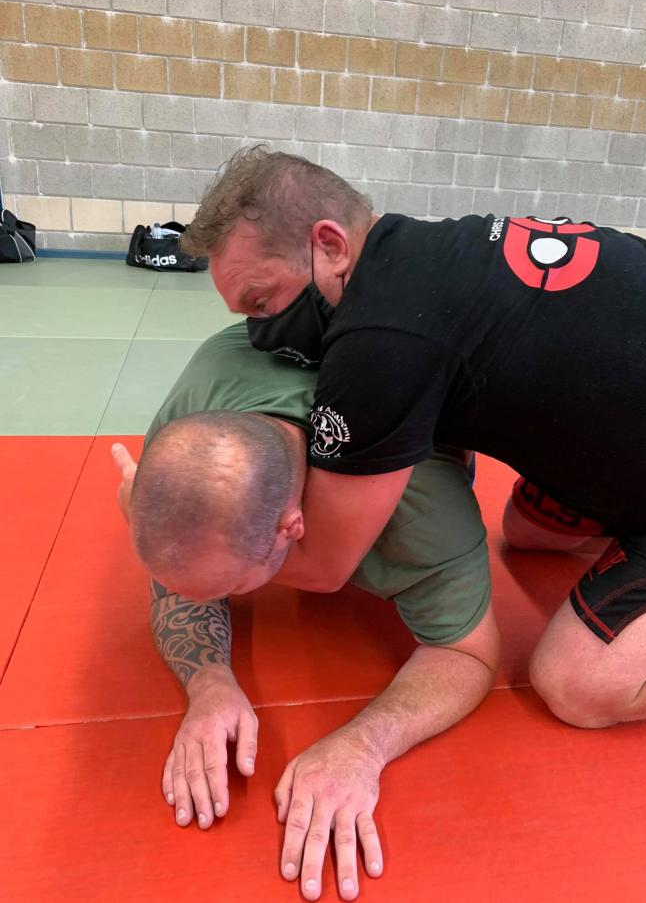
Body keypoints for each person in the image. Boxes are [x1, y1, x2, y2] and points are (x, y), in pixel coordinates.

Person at [179, 144, 646, 730]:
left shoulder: (382, 341)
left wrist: (191, 548)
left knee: (576, 687)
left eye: (261, 302)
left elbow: (324, 565)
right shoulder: (416, 252)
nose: (259, 331)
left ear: (330, 245)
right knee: (527, 532)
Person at [113, 320, 497, 903]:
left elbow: (469, 652)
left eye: (228, 585)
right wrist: (208, 683)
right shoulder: (184, 432)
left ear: (292, 529)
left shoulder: (419, 506)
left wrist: (365, 745)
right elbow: (180, 577)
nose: (206, 596)